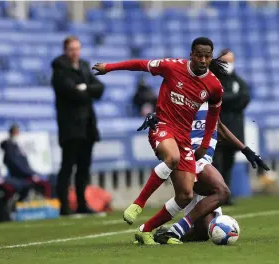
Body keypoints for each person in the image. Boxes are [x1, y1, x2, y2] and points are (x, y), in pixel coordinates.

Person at [92, 37, 225, 245]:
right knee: (172, 157)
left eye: (207, 56)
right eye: (199, 55)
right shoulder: (172, 67)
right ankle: (138, 204)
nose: (203, 60)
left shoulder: (214, 86)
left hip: (184, 137)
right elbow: (140, 64)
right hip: (162, 125)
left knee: (186, 195)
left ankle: (145, 230)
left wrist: (206, 144)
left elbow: (213, 117)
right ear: (191, 54)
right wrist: (109, 67)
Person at [136, 112, 269, 244]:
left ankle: (161, 234)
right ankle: (175, 230)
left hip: (203, 160)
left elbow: (219, 126)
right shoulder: (190, 97)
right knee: (222, 191)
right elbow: (170, 106)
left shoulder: (212, 99)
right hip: (189, 158)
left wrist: (246, 150)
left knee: (203, 232)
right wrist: (157, 114)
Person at [51, 36, 105, 215]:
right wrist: (85, 90)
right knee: (68, 166)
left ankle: (82, 203)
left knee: (84, 167)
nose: (75, 52)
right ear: (65, 50)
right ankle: (64, 206)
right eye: (71, 49)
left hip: (88, 125)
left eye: (77, 49)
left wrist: (84, 88)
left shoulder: (83, 65)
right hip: (70, 127)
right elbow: (71, 92)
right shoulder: (59, 68)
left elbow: (99, 88)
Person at [212, 49, 251, 205]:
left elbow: (245, 98)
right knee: (216, 163)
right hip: (216, 129)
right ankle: (216, 194)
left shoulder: (238, 81)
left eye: (231, 61)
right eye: (225, 61)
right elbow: (216, 98)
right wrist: (232, 100)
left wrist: (227, 100)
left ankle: (226, 195)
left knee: (229, 162)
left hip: (234, 128)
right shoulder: (214, 79)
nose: (228, 65)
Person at [0, 124, 51, 199]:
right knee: (44, 184)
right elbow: (16, 165)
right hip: (20, 176)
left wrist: (32, 173)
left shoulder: (15, 145)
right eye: (16, 132)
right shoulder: (10, 147)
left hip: (24, 174)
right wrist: (30, 174)